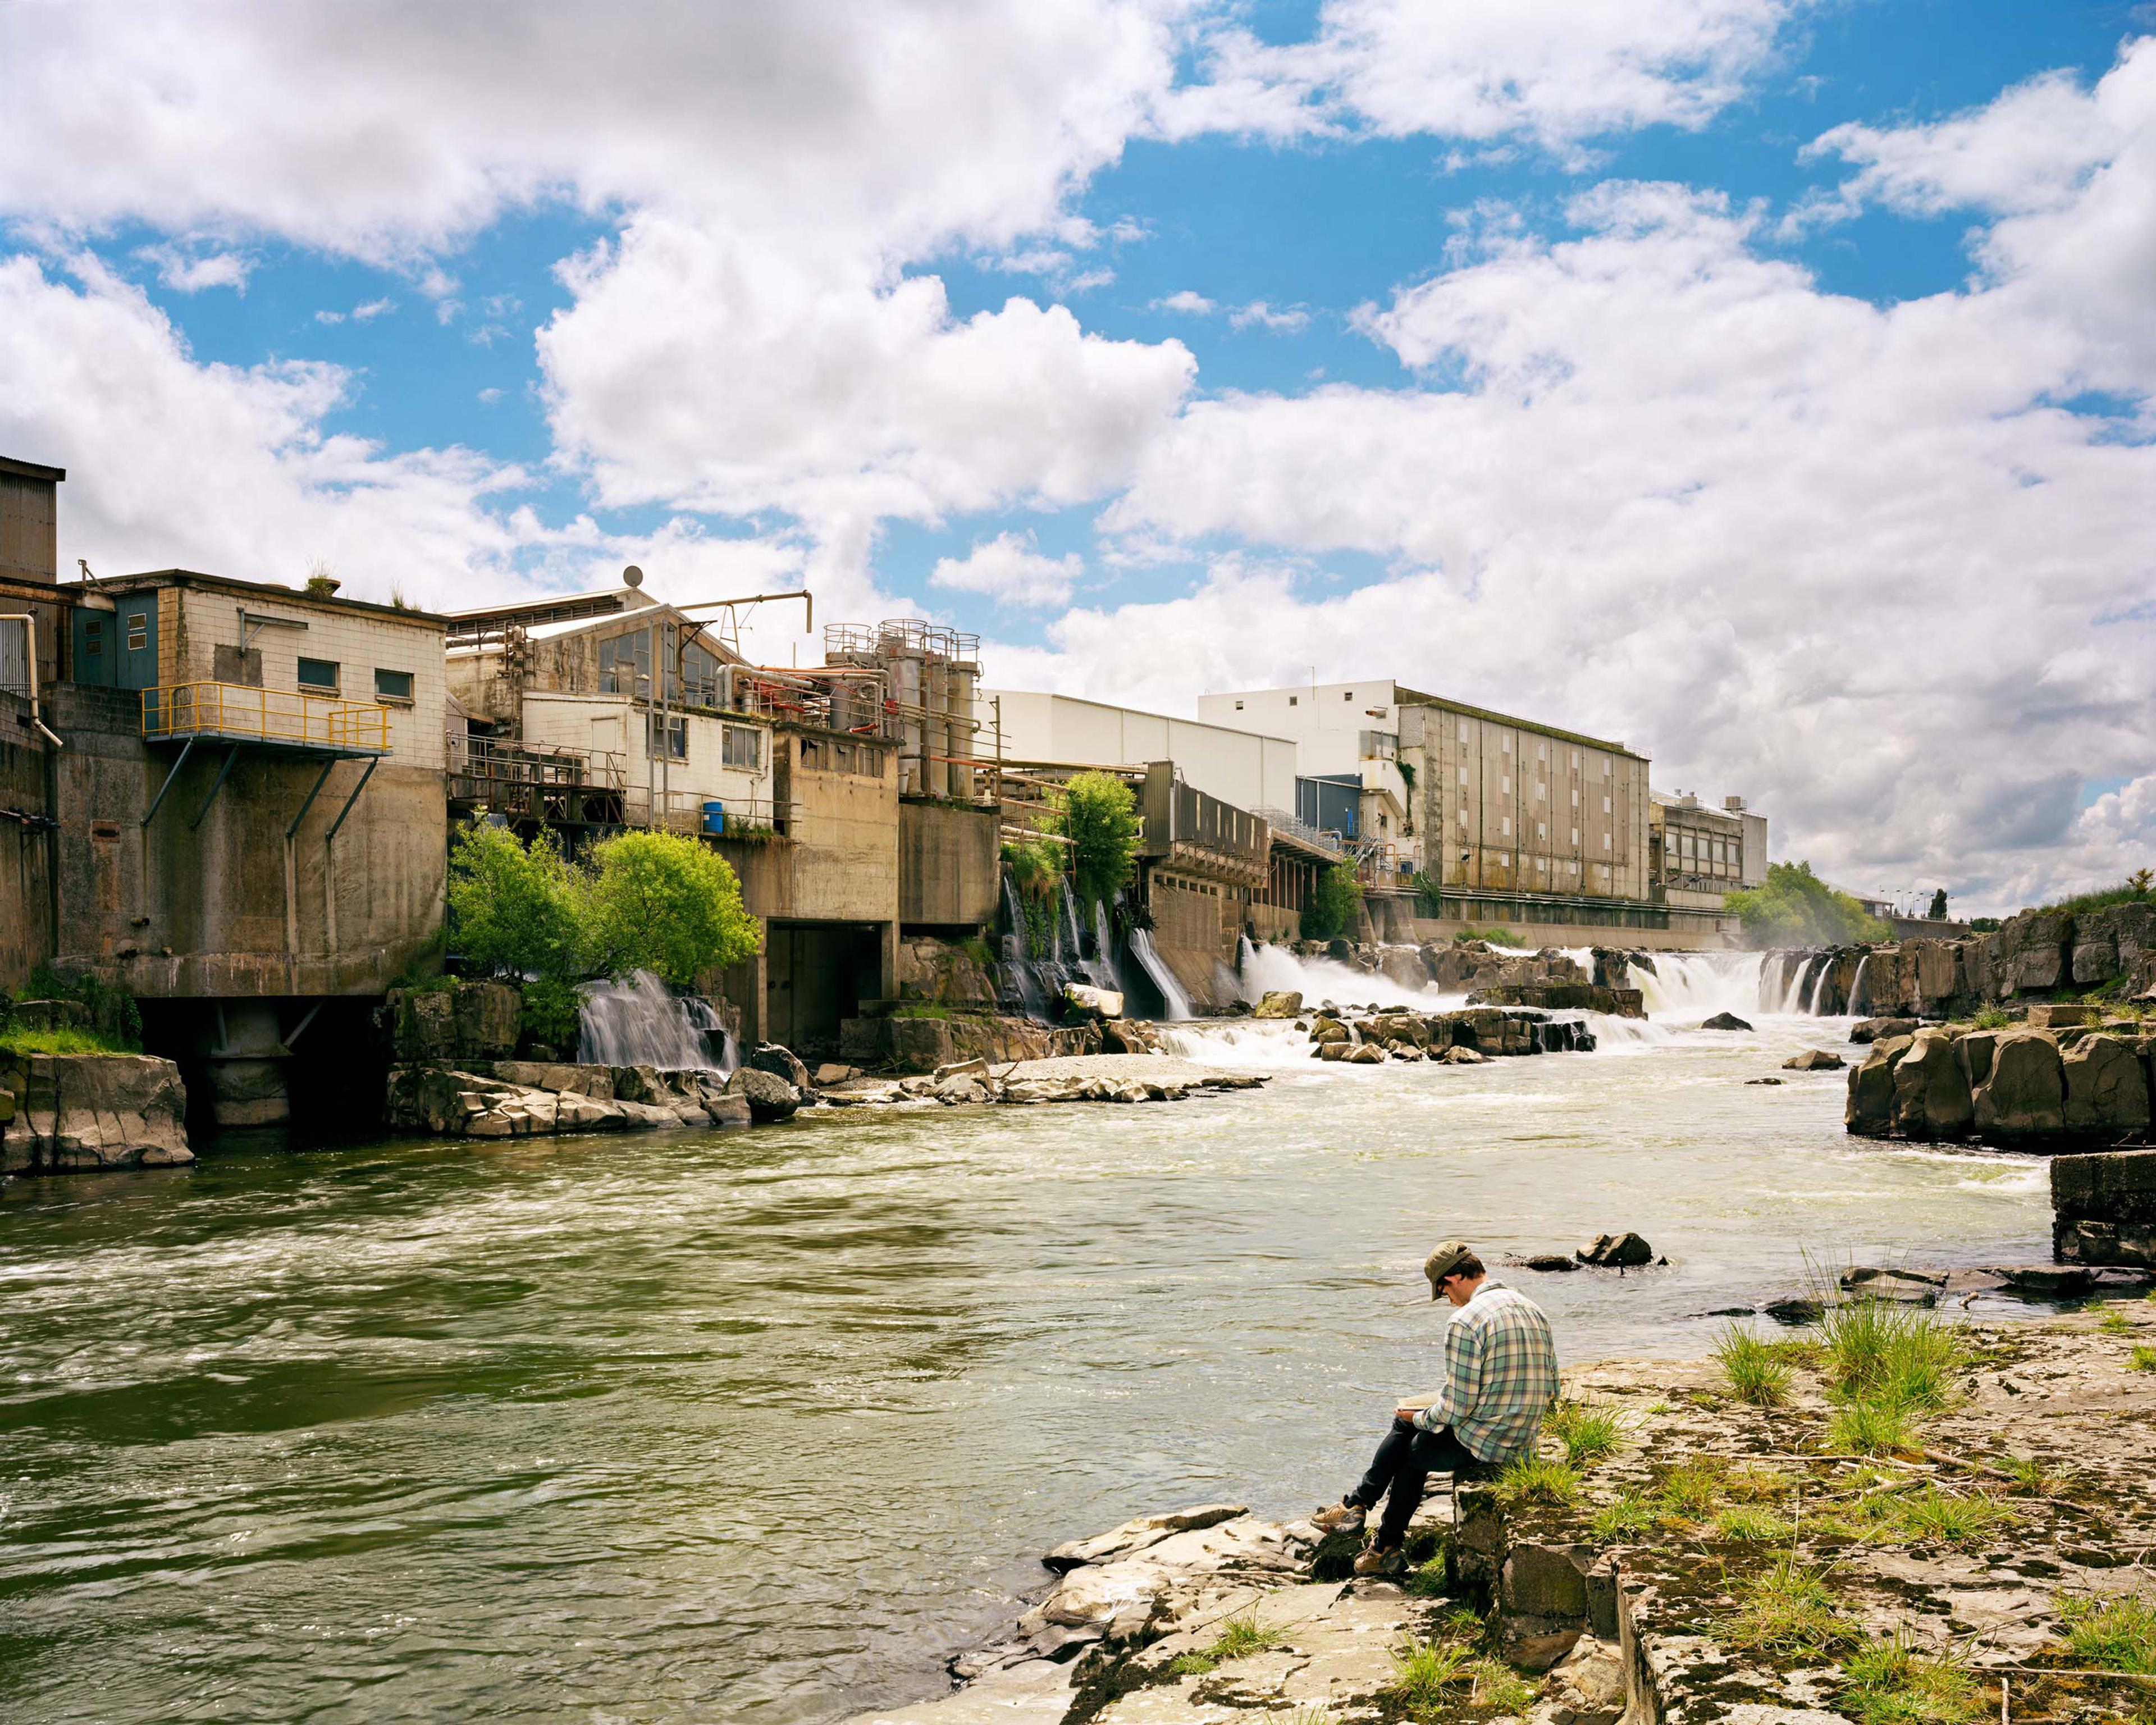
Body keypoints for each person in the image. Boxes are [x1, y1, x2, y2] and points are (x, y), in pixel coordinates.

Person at [1311, 1240, 1559, 1576]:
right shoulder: (1532, 1308)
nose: (1448, 1301)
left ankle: (1376, 1537)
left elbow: (1457, 1408)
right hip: (1523, 1438)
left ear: (1454, 1278)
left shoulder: (1465, 1321)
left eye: (1443, 1292)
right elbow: (1554, 1388)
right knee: (1412, 1428)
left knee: (1411, 1446)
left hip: (1487, 1444)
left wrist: (1419, 1417)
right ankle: (1362, 1517)